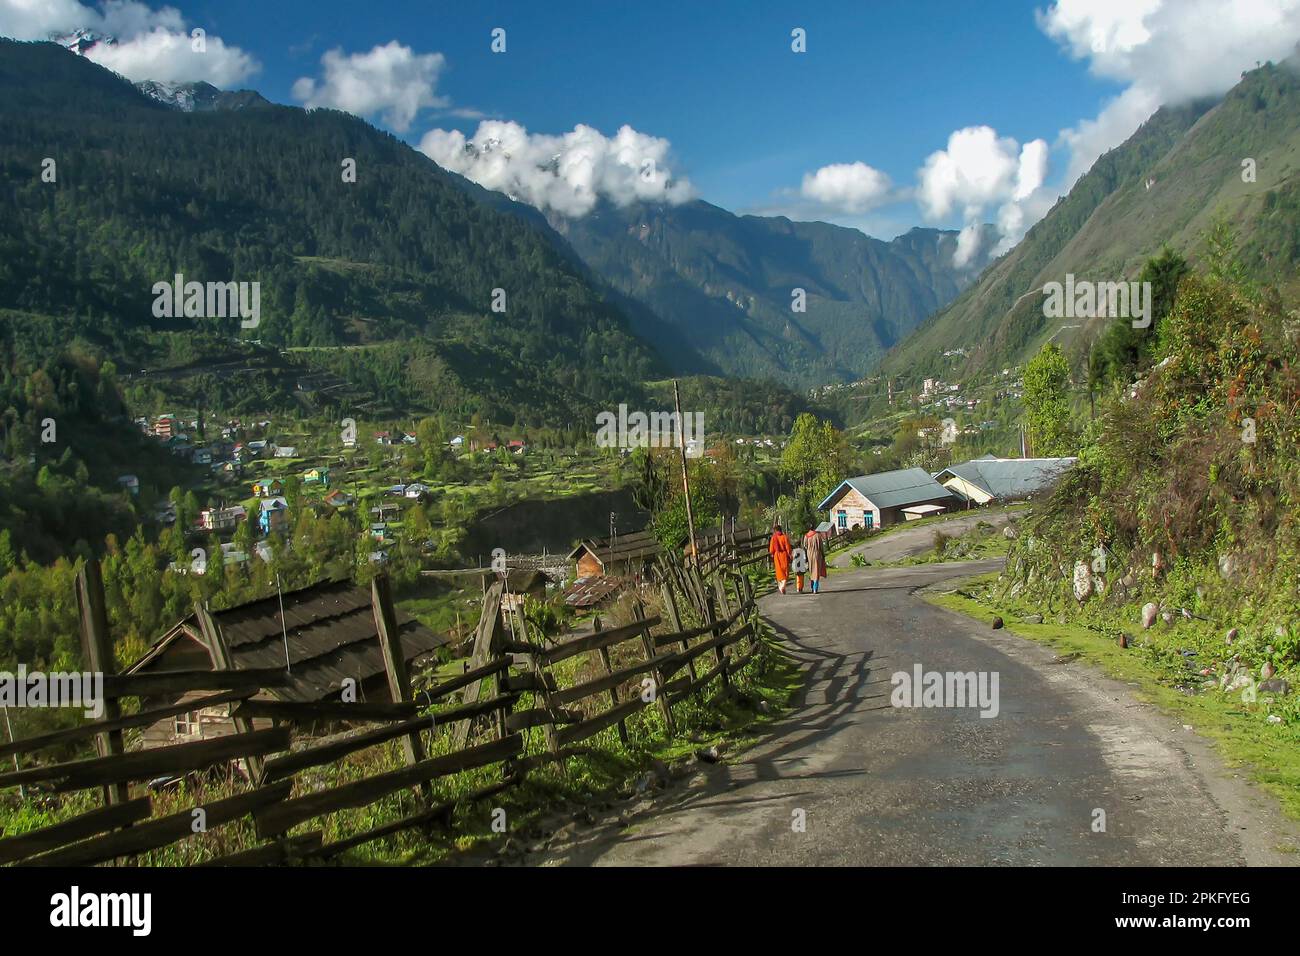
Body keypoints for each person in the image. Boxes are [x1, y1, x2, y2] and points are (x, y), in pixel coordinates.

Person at [769, 522, 792, 594]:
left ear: (775, 531)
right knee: (785, 572)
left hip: (777, 555)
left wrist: (772, 554)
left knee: (779, 572)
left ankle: (781, 586)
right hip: (784, 555)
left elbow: (771, 549)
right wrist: (789, 554)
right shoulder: (784, 537)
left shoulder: (773, 538)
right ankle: (783, 586)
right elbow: (788, 547)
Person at [803, 524, 827, 594]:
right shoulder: (817, 535)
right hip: (817, 554)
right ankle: (815, 588)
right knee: (816, 570)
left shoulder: (806, 536)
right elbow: (821, 546)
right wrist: (823, 554)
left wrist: (806, 557)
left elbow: (805, 546)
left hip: (809, 554)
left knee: (811, 570)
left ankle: (812, 586)